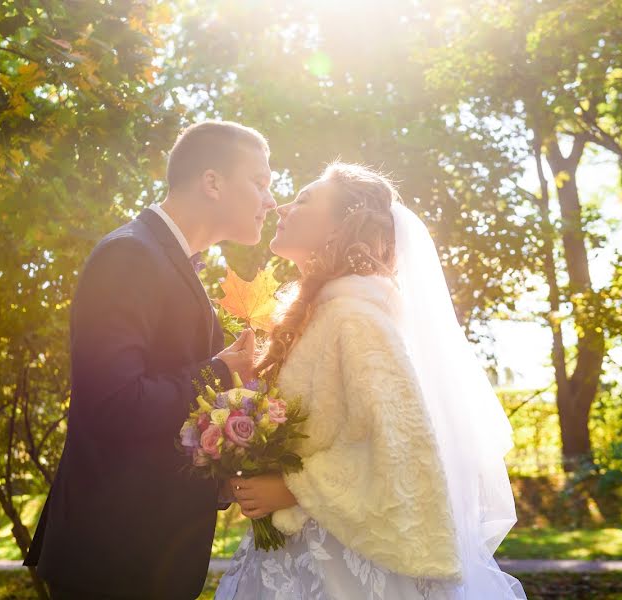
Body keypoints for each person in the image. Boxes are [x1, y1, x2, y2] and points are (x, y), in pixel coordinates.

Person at [216, 163, 527, 599]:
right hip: (301, 550)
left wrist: (291, 489)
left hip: (344, 564)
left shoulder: (356, 317)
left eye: (304, 199)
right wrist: (248, 390)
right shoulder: (323, 314)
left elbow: (401, 445)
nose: (283, 207)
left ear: (340, 227)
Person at [24, 121, 277, 599]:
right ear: (213, 182)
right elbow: (114, 404)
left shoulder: (170, 260)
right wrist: (220, 371)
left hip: (150, 553)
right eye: (260, 183)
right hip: (115, 558)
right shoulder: (130, 254)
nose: (271, 201)